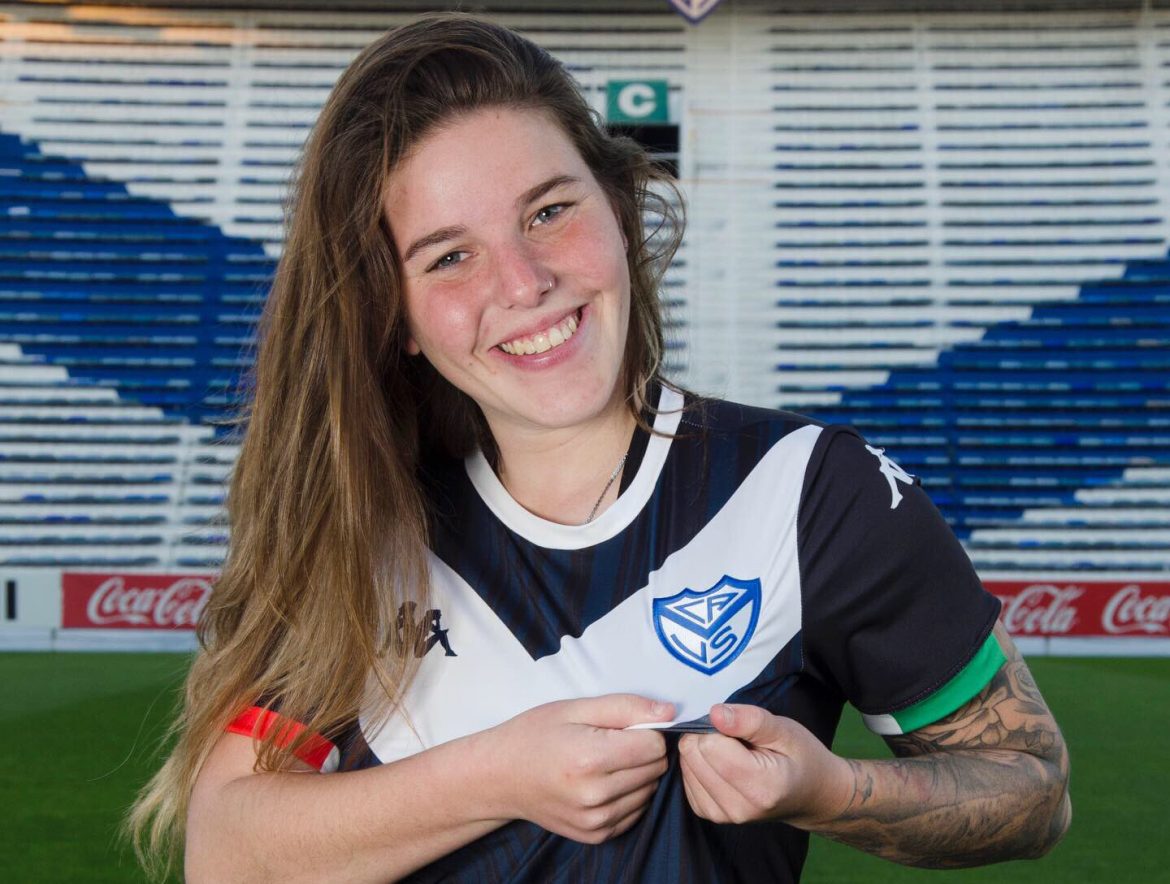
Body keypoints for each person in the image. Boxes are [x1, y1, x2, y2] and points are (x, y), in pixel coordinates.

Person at [129, 13, 1070, 883]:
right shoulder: (366, 524)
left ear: (619, 212)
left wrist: (829, 792)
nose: (526, 282)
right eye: (449, 256)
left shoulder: (810, 493)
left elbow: (1030, 787)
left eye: (548, 212)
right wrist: (496, 775)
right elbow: (227, 846)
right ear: (398, 315)